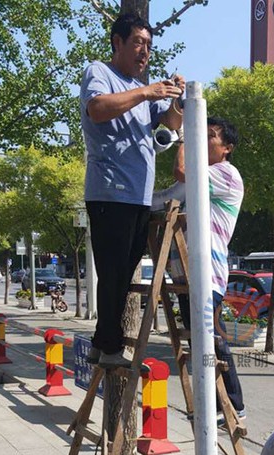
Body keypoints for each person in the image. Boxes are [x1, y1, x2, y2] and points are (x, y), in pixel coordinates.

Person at [80, 12, 185, 368]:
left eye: (149, 46)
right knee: (112, 273)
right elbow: (97, 109)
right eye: (138, 42)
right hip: (110, 192)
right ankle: (109, 348)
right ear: (118, 42)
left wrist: (175, 100)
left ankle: (100, 343)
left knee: (123, 274)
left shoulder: (145, 92)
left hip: (139, 196)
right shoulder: (100, 72)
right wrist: (146, 91)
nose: (144, 52)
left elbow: (170, 124)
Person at [170, 117, 246, 423]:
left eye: (210, 136)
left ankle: (234, 404)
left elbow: (181, 171)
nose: (204, 140)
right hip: (187, 271)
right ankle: (213, 401)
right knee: (198, 339)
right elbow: (170, 193)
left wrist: (183, 138)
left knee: (211, 337)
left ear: (227, 149)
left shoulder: (225, 174)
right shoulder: (204, 178)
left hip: (207, 272)